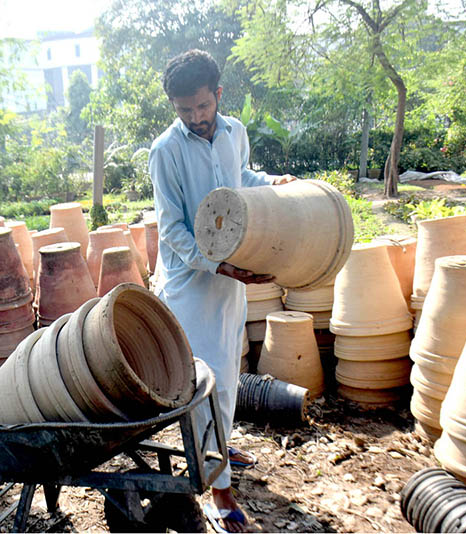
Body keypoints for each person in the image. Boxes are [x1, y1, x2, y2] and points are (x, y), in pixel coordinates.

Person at [149, 49, 295, 533]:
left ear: (218, 94)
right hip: (192, 283)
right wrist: (216, 265)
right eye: (184, 110)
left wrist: (271, 181)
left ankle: (220, 447)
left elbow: (239, 181)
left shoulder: (235, 131)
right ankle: (219, 490)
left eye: (201, 106)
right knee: (205, 386)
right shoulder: (165, 150)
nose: (195, 117)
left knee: (231, 369)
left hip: (233, 274)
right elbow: (171, 228)